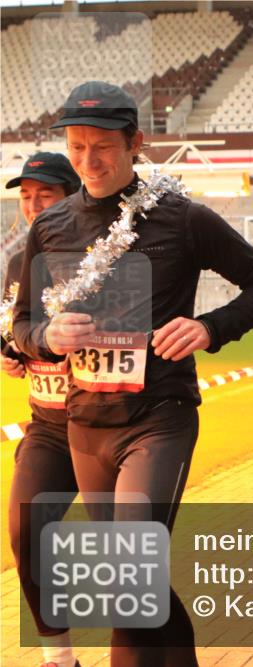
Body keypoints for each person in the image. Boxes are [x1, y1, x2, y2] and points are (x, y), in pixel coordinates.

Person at [12, 81, 253, 666]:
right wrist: (46, 338)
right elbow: (23, 324)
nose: (89, 160)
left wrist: (211, 326)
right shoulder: (50, 227)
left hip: (159, 418)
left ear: (137, 143)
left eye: (104, 146)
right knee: (133, 584)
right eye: (77, 146)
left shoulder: (182, 218)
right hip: (86, 422)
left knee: (126, 570)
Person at [2, 152, 82, 667]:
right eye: (26, 196)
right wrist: (12, 351)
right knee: (25, 530)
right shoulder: (16, 262)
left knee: (129, 553)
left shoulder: (105, 250)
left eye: (44, 194)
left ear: (71, 195)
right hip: (48, 422)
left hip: (110, 424)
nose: (32, 205)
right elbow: (18, 327)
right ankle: (60, 659)